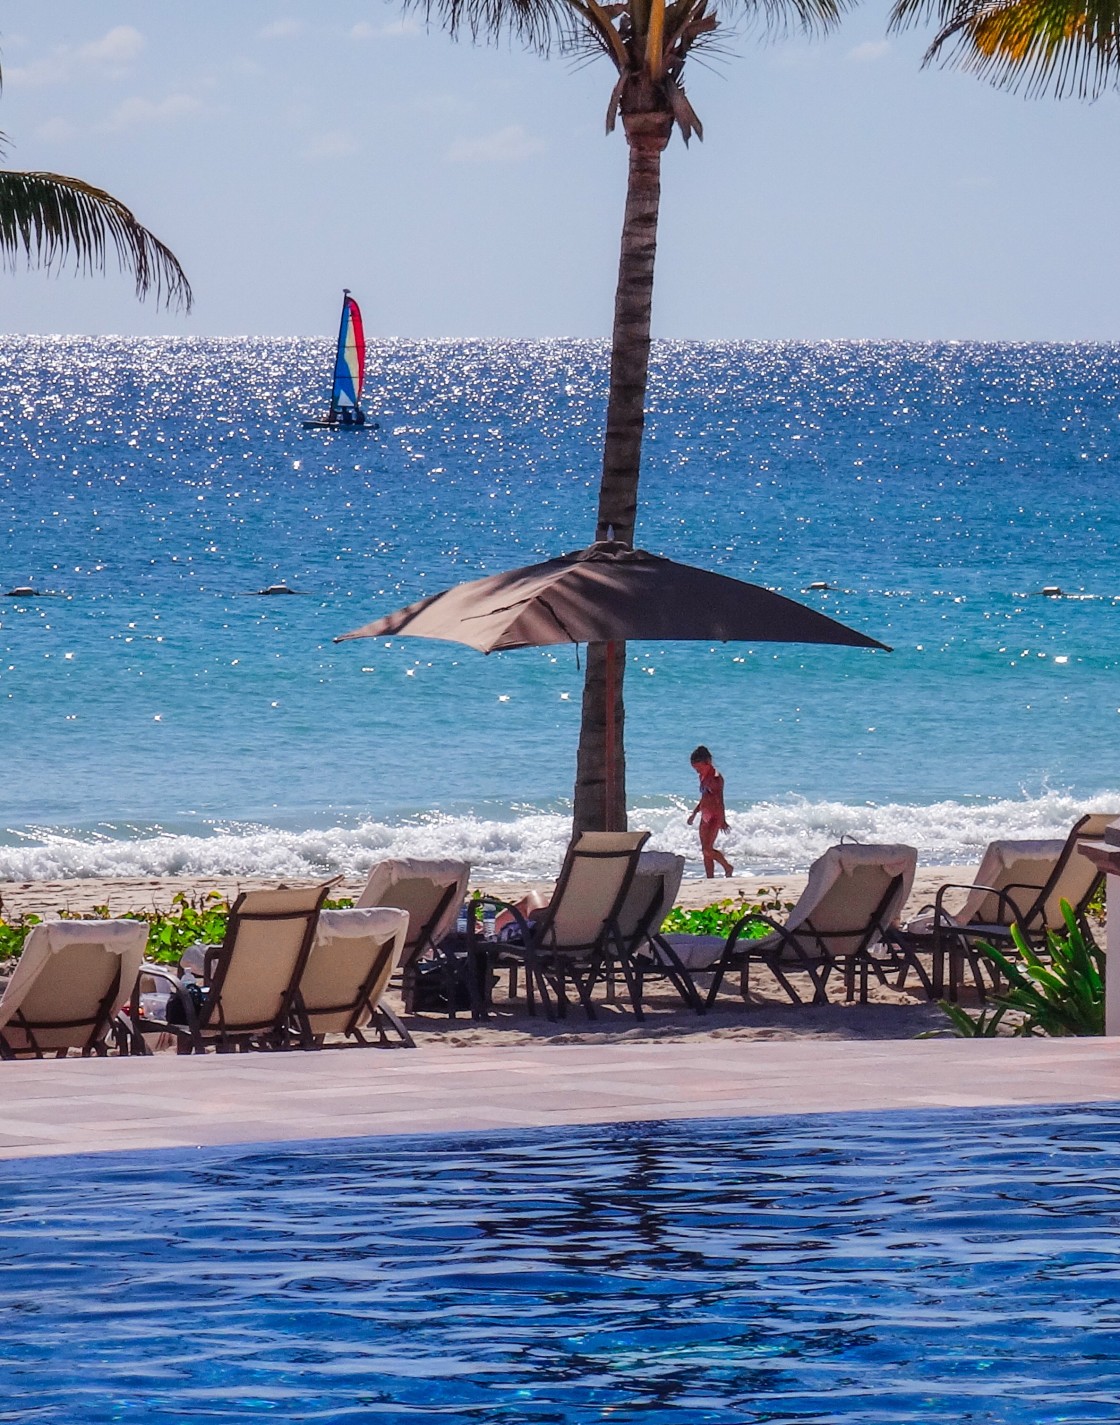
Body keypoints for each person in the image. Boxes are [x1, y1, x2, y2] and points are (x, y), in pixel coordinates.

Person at [687, 744, 734, 878]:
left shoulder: (715, 778)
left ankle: (727, 867)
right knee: (704, 851)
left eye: (698, 768)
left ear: (707, 762)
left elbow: (720, 799)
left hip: (715, 816)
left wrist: (723, 820)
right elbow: (704, 797)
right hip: (705, 815)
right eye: (695, 769)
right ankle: (710, 878)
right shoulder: (702, 776)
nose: (697, 771)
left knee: (708, 849)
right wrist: (695, 813)